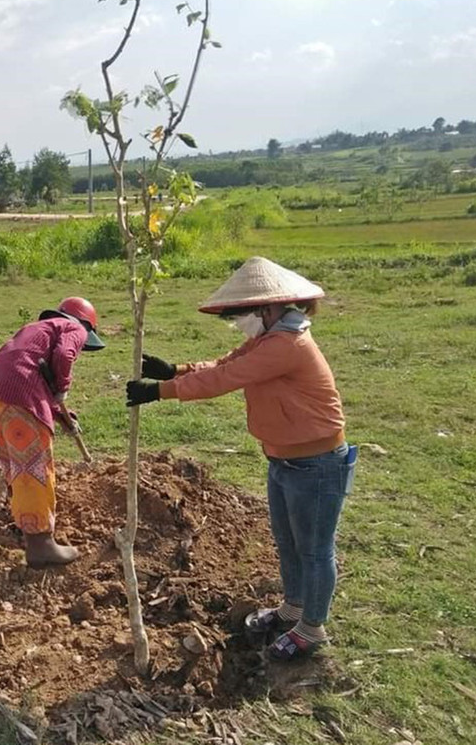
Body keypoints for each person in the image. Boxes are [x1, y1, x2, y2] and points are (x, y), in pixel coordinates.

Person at [125, 256, 357, 661]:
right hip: (284, 461)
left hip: (316, 465)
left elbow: (224, 379)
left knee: (315, 550)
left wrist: (159, 392)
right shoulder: (269, 338)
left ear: (266, 309)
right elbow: (225, 363)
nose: (239, 324)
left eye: (242, 316)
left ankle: (312, 630)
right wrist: (175, 370)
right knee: (288, 543)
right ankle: (293, 609)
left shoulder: (288, 344)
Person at [0, 297, 105, 568]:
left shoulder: (38, 330)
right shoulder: (73, 328)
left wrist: (62, 413)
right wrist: (63, 386)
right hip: (22, 392)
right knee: (33, 466)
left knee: (16, 463)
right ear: (85, 325)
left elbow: (32, 371)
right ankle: (41, 545)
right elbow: (63, 356)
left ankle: (27, 530)